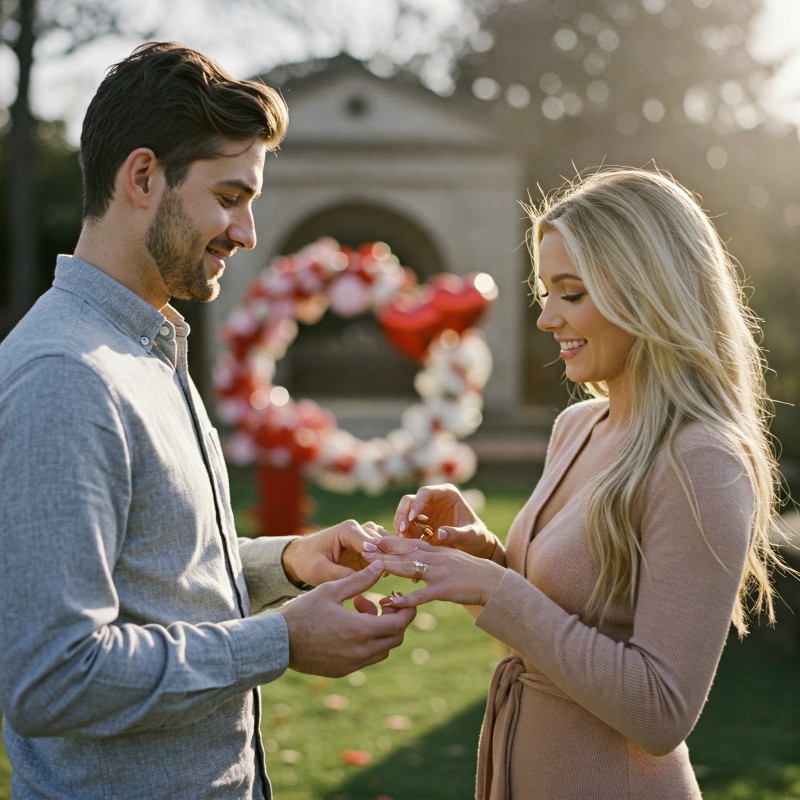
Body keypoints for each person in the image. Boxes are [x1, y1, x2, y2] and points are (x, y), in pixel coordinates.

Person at [0, 42, 415, 800]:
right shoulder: (67, 376)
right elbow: (51, 678)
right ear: (143, 176)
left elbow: (159, 574)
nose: (249, 232)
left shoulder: (149, 347)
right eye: (229, 197)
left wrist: (286, 563)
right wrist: (279, 640)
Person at [366, 167, 788, 799]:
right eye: (545, 291)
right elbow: (545, 627)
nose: (545, 318)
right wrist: (478, 557)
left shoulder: (702, 460)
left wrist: (499, 586)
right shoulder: (578, 426)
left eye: (571, 293)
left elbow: (659, 713)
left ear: (648, 294)